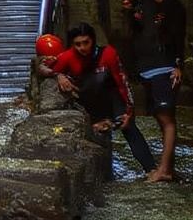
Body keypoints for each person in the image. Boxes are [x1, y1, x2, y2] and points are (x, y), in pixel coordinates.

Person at [38, 22, 159, 175]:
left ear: (93, 40)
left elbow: (122, 82)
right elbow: (42, 67)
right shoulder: (67, 57)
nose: (82, 48)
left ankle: (151, 169)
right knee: (96, 133)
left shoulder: (108, 53)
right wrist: (58, 75)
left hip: (111, 96)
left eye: (86, 43)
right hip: (89, 101)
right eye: (78, 44)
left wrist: (129, 111)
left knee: (129, 127)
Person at [123, 0, 186, 183]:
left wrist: (178, 65)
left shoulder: (173, 7)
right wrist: (131, 11)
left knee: (166, 117)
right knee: (161, 119)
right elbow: (136, 30)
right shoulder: (144, 5)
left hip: (166, 66)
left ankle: (165, 170)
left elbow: (179, 36)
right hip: (147, 68)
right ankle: (167, 166)